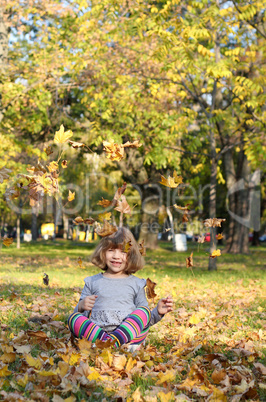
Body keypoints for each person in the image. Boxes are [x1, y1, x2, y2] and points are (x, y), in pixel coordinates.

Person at [68, 227, 174, 350]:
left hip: (129, 336)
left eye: (123, 252)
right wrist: (81, 306)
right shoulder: (92, 282)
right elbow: (81, 315)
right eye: (111, 250)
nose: (116, 256)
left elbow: (145, 321)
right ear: (102, 252)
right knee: (73, 319)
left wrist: (158, 312)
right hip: (98, 334)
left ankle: (111, 344)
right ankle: (108, 344)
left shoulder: (136, 283)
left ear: (131, 255)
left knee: (143, 311)